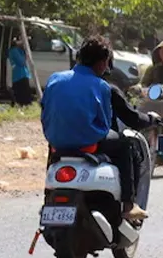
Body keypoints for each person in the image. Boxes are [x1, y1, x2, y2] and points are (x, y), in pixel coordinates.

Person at [42, 37, 148, 222]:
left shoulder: (54, 79)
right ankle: (129, 205)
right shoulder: (102, 86)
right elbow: (105, 123)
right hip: (89, 144)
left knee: (53, 150)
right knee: (126, 146)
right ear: (103, 63)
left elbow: (45, 111)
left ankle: (47, 197)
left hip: (56, 142)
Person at [7, 37, 34, 106]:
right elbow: (21, 62)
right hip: (19, 76)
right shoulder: (14, 51)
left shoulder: (20, 50)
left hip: (23, 74)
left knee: (25, 94)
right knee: (22, 95)